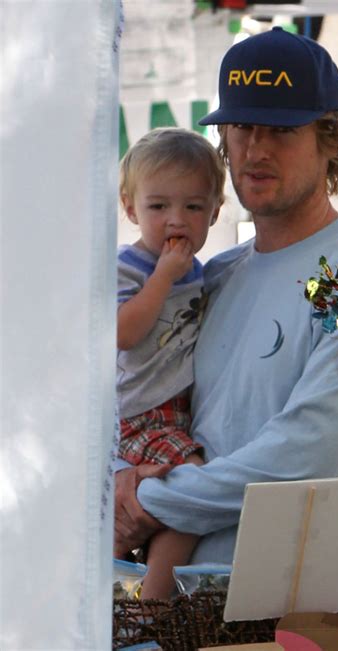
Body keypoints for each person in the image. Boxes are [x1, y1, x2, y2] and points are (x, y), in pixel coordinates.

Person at [114, 27, 338, 572]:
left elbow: (307, 455)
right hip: (183, 606)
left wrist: (145, 500)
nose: (255, 148)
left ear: (331, 141)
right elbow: (136, 397)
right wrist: (115, 478)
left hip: (302, 610)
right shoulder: (212, 275)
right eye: (241, 125)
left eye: (281, 129)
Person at [115, 127, 226, 598]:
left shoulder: (205, 273)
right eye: (158, 207)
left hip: (176, 412)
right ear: (129, 207)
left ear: (216, 212)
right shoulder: (128, 266)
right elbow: (123, 332)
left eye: (193, 207)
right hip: (140, 413)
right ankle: (153, 608)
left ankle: (138, 592)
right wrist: (162, 277)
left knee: (176, 506)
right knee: (196, 490)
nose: (176, 221)